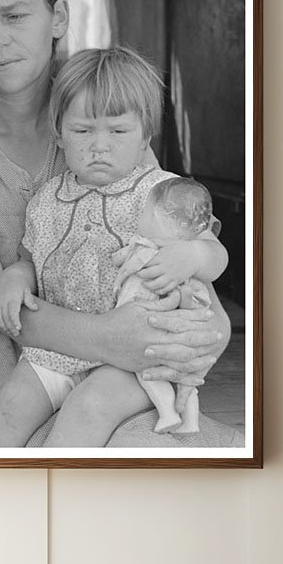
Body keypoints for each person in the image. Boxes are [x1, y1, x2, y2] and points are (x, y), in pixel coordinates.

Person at [0, 0, 231, 448]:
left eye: (15, 16)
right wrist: (113, 338)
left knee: (136, 447)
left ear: (58, 18)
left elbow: (166, 237)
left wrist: (207, 328)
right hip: (12, 344)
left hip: (128, 337)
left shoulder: (106, 112)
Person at [0, 47, 226, 448]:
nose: (99, 146)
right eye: (83, 131)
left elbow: (216, 254)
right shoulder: (47, 199)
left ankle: (57, 496)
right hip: (61, 350)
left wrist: (192, 255)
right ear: (59, 133)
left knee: (88, 408)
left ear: (145, 138)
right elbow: (28, 260)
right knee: (4, 410)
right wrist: (13, 280)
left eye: (118, 132)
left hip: (138, 358)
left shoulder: (161, 191)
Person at [113, 175, 218, 434]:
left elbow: (121, 259)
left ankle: (168, 413)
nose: (141, 217)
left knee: (147, 372)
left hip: (147, 327)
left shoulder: (146, 248)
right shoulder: (186, 263)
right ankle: (190, 422)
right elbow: (197, 301)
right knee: (185, 380)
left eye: (146, 212)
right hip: (173, 333)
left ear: (159, 218)